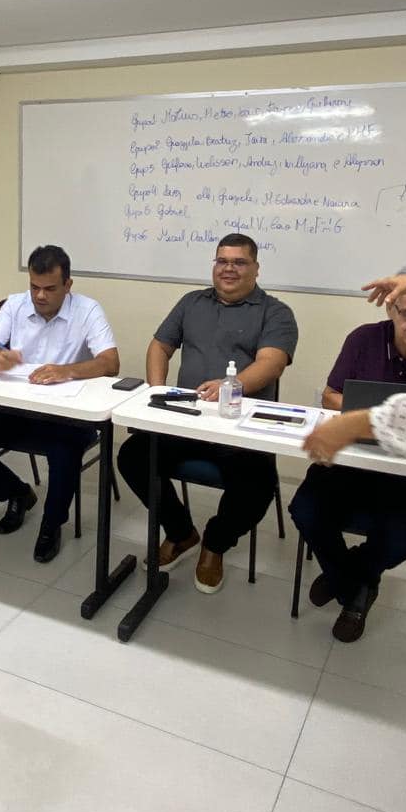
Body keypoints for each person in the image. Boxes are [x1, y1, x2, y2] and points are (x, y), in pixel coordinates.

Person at [117, 233, 298, 592]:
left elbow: (272, 363)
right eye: (222, 261)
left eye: (239, 262)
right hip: (187, 420)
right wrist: (157, 391)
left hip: (238, 428)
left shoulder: (276, 312)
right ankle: (181, 532)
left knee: (258, 484)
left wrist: (232, 385)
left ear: (256, 268)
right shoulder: (191, 302)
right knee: (133, 457)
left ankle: (215, 544)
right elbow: (159, 346)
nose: (229, 269)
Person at [289, 264, 406, 642]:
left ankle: (349, 576)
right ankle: (357, 586)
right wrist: (369, 421)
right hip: (354, 459)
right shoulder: (365, 339)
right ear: (391, 308)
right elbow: (331, 396)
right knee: (305, 509)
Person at [0, 245, 119, 564]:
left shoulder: (87, 310)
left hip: (67, 415)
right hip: (17, 408)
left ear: (68, 285)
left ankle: (52, 525)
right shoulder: (15, 305)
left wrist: (67, 371)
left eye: (50, 288)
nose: (40, 296)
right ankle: (17, 493)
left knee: (63, 453)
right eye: (34, 286)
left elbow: (110, 363)